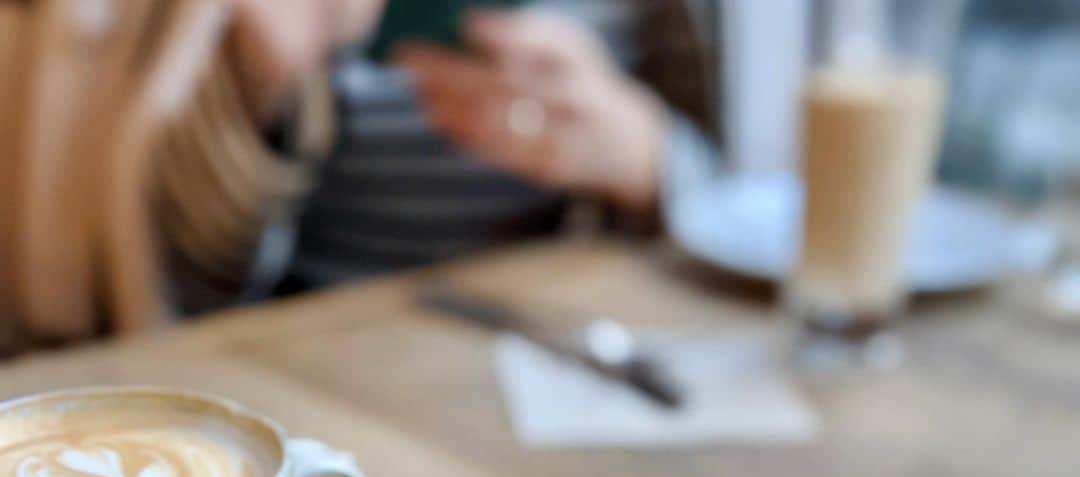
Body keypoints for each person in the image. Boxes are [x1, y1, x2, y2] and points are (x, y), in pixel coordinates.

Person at [0, 0, 719, 350]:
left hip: (583, 347)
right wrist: (252, 88)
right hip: (317, 357)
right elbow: (156, 293)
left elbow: (748, 196)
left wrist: (646, 157)